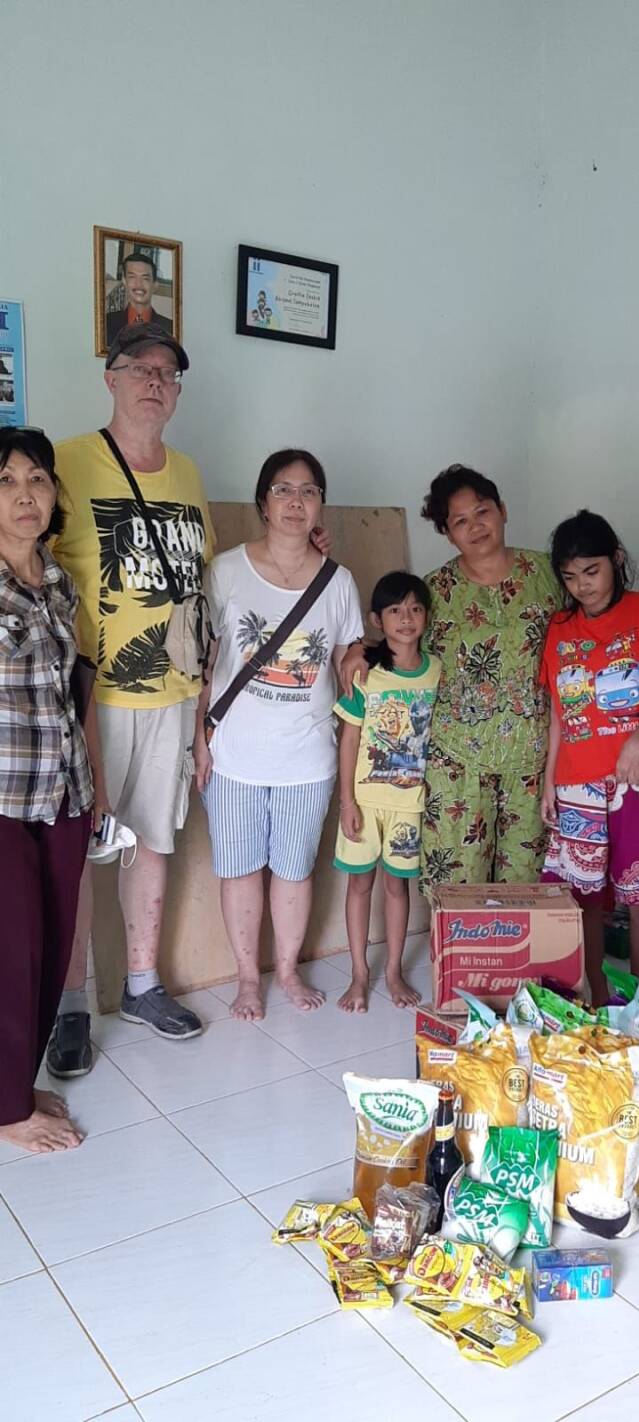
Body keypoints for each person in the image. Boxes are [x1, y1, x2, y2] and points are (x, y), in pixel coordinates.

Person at [45, 323, 215, 1077]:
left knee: (152, 841)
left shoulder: (189, 474)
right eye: (139, 368)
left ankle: (142, 984)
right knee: (80, 852)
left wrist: (203, 713)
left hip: (172, 694)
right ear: (110, 378)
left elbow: (203, 590)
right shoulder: (66, 463)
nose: (154, 381)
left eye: (167, 372)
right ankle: (70, 1007)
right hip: (93, 699)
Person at [194, 449, 363, 1018]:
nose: (296, 501)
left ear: (321, 506)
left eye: (309, 491)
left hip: (308, 757)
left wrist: (361, 664)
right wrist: (198, 738)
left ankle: (287, 971)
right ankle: (248, 978)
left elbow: (347, 658)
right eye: (283, 490)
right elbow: (204, 664)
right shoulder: (225, 571)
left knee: (294, 871)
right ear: (263, 502)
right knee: (239, 869)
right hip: (234, 752)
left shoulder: (339, 582)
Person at [342, 465, 562, 894]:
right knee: (457, 889)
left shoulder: (547, 575)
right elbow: (399, 639)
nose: (475, 527)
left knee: (524, 885)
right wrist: (357, 647)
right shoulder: (436, 591)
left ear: (502, 510)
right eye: (460, 521)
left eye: (482, 512)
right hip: (456, 763)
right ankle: (456, 944)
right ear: (447, 533)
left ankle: (515, 945)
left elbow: (594, 611)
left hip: (531, 763)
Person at [539, 510, 639, 1010]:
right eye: (570, 576)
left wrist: (636, 742)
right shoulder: (560, 628)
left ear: (616, 560)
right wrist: (549, 783)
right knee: (585, 901)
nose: (582, 586)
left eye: (592, 570)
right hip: (575, 782)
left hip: (635, 780)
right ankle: (597, 991)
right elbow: (558, 713)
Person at [0, 427, 96, 1152]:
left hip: (63, 792)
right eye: (5, 481)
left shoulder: (60, 583)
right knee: (11, 950)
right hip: (3, 796)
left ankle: (17, 1083)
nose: (24, 494)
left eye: (36, 478)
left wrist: (94, 787)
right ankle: (7, 1112)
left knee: (52, 946)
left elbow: (73, 691)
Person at [333, 571, 441, 1013]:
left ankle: (393, 971)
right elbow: (349, 740)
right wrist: (347, 802)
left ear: (427, 616)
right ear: (377, 620)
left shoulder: (437, 672)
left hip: (409, 805)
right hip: (365, 802)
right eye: (395, 610)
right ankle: (359, 974)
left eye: (415, 609)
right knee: (360, 885)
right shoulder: (365, 673)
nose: (406, 618)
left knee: (398, 888)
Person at [106, 251, 173, 344]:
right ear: (124, 281)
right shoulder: (106, 323)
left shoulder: (170, 328)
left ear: (155, 285)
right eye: (132, 277)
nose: (139, 284)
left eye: (145, 278)